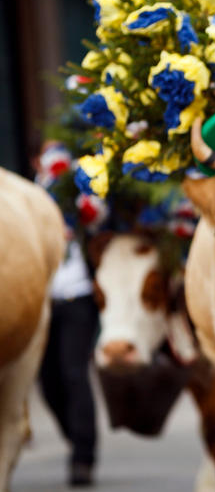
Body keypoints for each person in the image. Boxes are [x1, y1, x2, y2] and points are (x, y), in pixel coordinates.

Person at [33, 144, 100, 487]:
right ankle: (75, 436)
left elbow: (98, 215)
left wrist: (80, 196)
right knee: (48, 382)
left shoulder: (77, 188)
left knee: (75, 375)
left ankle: (83, 457)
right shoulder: (28, 199)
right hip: (42, 303)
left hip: (77, 297)